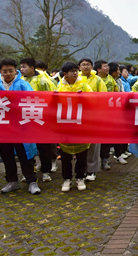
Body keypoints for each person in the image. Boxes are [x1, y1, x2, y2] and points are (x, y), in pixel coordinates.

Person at [0, 59, 41, 195]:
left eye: (10, 71)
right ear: (0, 71)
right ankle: (12, 181)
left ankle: (31, 181)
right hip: (3, 128)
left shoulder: (23, 85)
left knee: (26, 155)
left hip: (21, 127)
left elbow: (32, 103)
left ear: (16, 71)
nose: (7, 74)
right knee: (6, 156)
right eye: (4, 71)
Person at [20, 57, 58, 183]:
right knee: (27, 147)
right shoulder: (20, 80)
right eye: (20, 67)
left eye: (24, 67)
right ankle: (29, 171)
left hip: (41, 118)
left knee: (44, 147)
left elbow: (53, 97)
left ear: (32, 68)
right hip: (25, 118)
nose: (22, 69)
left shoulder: (43, 80)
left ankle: (46, 171)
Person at [56, 62, 93, 191]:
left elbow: (93, 100)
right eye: (71, 71)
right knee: (65, 155)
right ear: (65, 74)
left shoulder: (83, 85)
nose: (75, 73)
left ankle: (80, 177)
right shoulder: (59, 85)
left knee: (82, 153)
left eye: (75, 71)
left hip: (81, 125)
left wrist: (84, 96)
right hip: (65, 125)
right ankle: (66, 179)